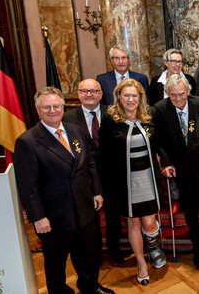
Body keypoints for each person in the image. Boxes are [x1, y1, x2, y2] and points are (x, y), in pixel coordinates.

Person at [14, 87, 114, 294]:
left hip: (84, 207)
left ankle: (90, 286)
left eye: (56, 106)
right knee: (55, 262)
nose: (52, 110)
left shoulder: (74, 130)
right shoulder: (27, 141)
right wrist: (38, 217)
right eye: (47, 107)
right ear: (38, 110)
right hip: (54, 216)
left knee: (87, 253)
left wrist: (96, 191)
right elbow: (27, 185)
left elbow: (89, 164)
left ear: (63, 107)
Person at [154, 75, 199, 283]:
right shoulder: (160, 109)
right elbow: (159, 141)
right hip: (182, 172)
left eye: (181, 94)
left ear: (188, 92)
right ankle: (198, 250)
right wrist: (166, 163)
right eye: (173, 95)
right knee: (191, 214)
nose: (177, 99)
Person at [98, 79, 166, 286]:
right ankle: (141, 263)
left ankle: (153, 245)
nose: (130, 99)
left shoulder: (150, 115)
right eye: (126, 95)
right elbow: (105, 152)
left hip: (148, 177)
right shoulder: (110, 119)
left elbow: (160, 145)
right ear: (119, 96)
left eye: (134, 95)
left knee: (149, 221)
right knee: (133, 222)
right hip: (125, 181)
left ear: (140, 97)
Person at [62, 79, 125, 265]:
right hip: (83, 176)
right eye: (84, 91)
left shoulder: (113, 114)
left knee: (113, 215)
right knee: (90, 217)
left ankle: (114, 248)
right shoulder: (67, 118)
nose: (89, 94)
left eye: (93, 91)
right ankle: (94, 252)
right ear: (79, 94)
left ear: (100, 94)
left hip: (111, 173)